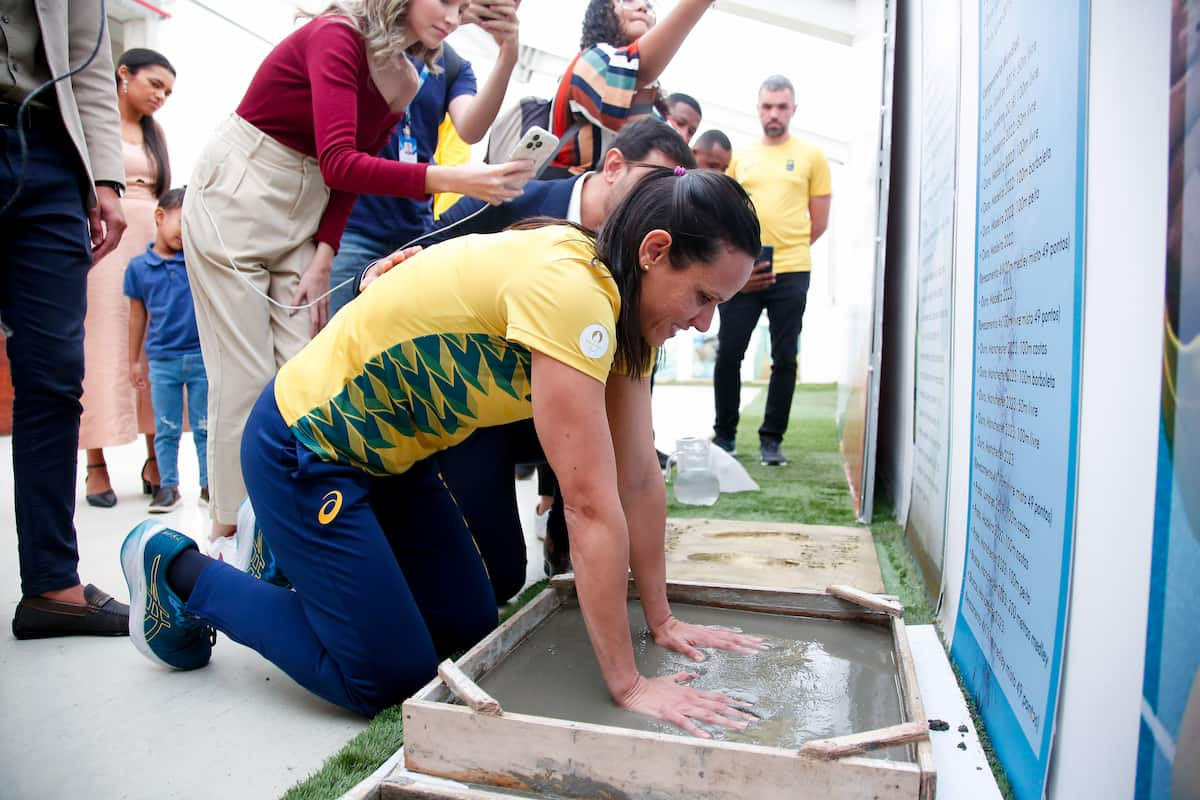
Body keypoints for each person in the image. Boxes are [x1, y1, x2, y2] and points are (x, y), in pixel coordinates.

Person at [120, 168, 769, 735]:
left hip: (396, 462)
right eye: (705, 297)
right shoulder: (575, 291)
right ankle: (179, 572)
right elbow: (591, 508)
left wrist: (662, 621)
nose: (705, 322)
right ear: (656, 250)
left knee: (464, 632)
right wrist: (628, 686)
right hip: (306, 447)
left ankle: (287, 553)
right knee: (387, 680)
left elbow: (637, 484)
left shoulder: (631, 316)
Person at [182, 0, 536, 542]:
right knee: (244, 377)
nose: (453, 16)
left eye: (463, 8)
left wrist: (325, 251)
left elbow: (346, 172)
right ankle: (232, 532)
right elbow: (339, 160)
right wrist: (458, 180)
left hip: (307, 209)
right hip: (240, 188)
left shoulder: (408, 76)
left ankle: (283, 528)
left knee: (304, 375)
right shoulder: (337, 35)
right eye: (444, 1)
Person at [359, 116, 696, 598]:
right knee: (496, 576)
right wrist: (375, 272)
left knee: (609, 460)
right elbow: (415, 253)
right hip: (480, 408)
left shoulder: (651, 253)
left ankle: (565, 538)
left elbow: (633, 378)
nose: (660, 204)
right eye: (654, 184)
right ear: (615, 165)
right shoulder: (519, 198)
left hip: (576, 407)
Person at [5, 2, 131, 638]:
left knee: (54, 374)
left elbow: (89, 49)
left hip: (51, 153)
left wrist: (106, 178)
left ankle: (52, 584)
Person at [328, 1, 524, 317]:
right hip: (352, 224)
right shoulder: (364, 39)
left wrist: (508, 57)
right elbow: (339, 158)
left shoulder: (454, 66)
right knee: (330, 341)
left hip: (413, 233)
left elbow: (471, 129)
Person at [712, 75, 831, 466]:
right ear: (758, 109)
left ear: (793, 110)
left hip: (792, 270)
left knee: (785, 358)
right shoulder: (739, 157)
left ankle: (771, 440)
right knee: (729, 352)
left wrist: (791, 253)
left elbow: (819, 221)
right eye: (767, 106)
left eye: (781, 107)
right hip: (741, 272)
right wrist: (741, 264)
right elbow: (724, 215)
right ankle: (725, 436)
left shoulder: (812, 156)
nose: (774, 114)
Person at [78, 48, 176, 508]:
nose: (161, 95)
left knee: (152, 345)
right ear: (124, 75)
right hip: (100, 241)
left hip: (149, 245)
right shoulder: (90, 126)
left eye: (168, 91)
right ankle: (95, 464)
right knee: (99, 346)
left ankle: (156, 458)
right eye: (155, 83)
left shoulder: (156, 137)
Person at [548, 0, 714, 176]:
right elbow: (636, 72)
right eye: (628, 0)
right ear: (600, 12)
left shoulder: (651, 96)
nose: (642, 7)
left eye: (649, 6)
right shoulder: (591, 61)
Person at [125, 187, 208, 514]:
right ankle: (168, 487)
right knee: (167, 428)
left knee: (205, 427)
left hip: (201, 359)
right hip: (162, 361)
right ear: (160, 216)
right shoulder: (138, 268)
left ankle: (208, 485)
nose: (185, 232)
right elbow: (136, 317)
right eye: (181, 221)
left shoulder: (198, 263)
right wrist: (133, 361)